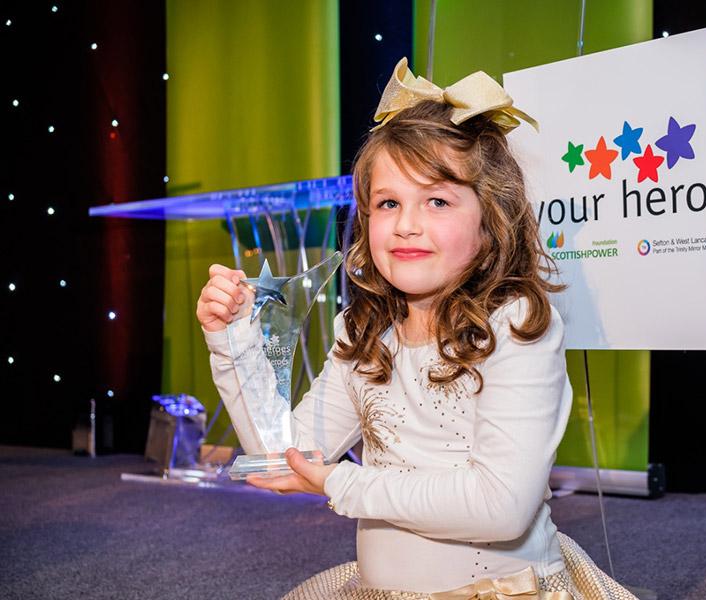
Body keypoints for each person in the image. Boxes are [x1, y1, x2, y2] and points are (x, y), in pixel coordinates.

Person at [196, 58, 636, 600]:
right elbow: (279, 456)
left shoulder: (515, 324)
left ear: (490, 220)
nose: (406, 224)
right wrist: (234, 342)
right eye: (388, 203)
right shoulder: (363, 332)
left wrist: (340, 482)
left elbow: (501, 506)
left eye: (437, 201)